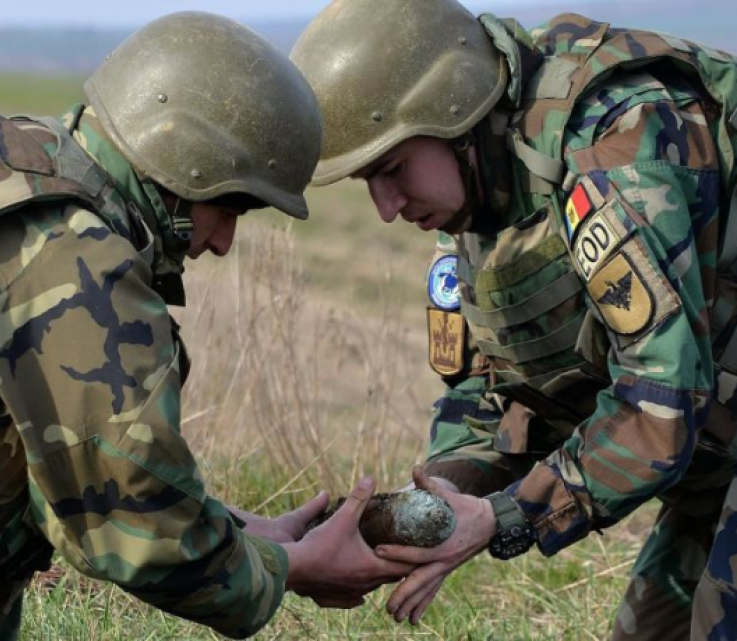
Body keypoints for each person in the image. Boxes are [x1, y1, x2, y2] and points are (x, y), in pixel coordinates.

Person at [0, 12, 413, 641]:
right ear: (184, 165)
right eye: (234, 204)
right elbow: (134, 523)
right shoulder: (76, 264)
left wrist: (231, 530)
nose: (223, 243)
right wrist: (286, 570)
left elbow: (64, 462)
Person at [290, 0, 737, 638]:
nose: (385, 207)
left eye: (391, 171)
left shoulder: (617, 144)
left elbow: (659, 403)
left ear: (454, 114)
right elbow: (490, 393)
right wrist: (430, 513)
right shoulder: (482, 191)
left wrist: (501, 517)